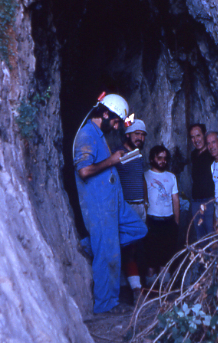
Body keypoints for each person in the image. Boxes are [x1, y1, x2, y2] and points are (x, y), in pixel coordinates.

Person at [73, 93, 147, 314]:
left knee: (139, 229)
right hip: (100, 206)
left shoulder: (98, 134)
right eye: (115, 121)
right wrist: (112, 161)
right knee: (109, 254)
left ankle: (92, 244)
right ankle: (106, 304)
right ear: (105, 114)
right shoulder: (87, 135)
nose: (116, 127)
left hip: (114, 203)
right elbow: (84, 170)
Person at [115, 119, 148, 299]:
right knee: (128, 248)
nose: (140, 138)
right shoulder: (120, 153)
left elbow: (141, 179)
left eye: (142, 135)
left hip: (139, 206)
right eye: (137, 134)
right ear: (128, 134)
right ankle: (133, 290)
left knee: (137, 247)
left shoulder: (137, 155)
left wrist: (145, 203)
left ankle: (135, 287)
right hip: (126, 206)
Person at [144, 145, 179, 286]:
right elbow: (143, 200)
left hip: (168, 222)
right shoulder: (145, 176)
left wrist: (176, 222)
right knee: (151, 256)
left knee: (167, 256)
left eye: (165, 158)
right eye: (159, 158)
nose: (163, 161)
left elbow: (175, 199)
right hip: (152, 221)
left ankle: (165, 289)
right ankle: (150, 288)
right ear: (152, 159)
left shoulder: (171, 177)